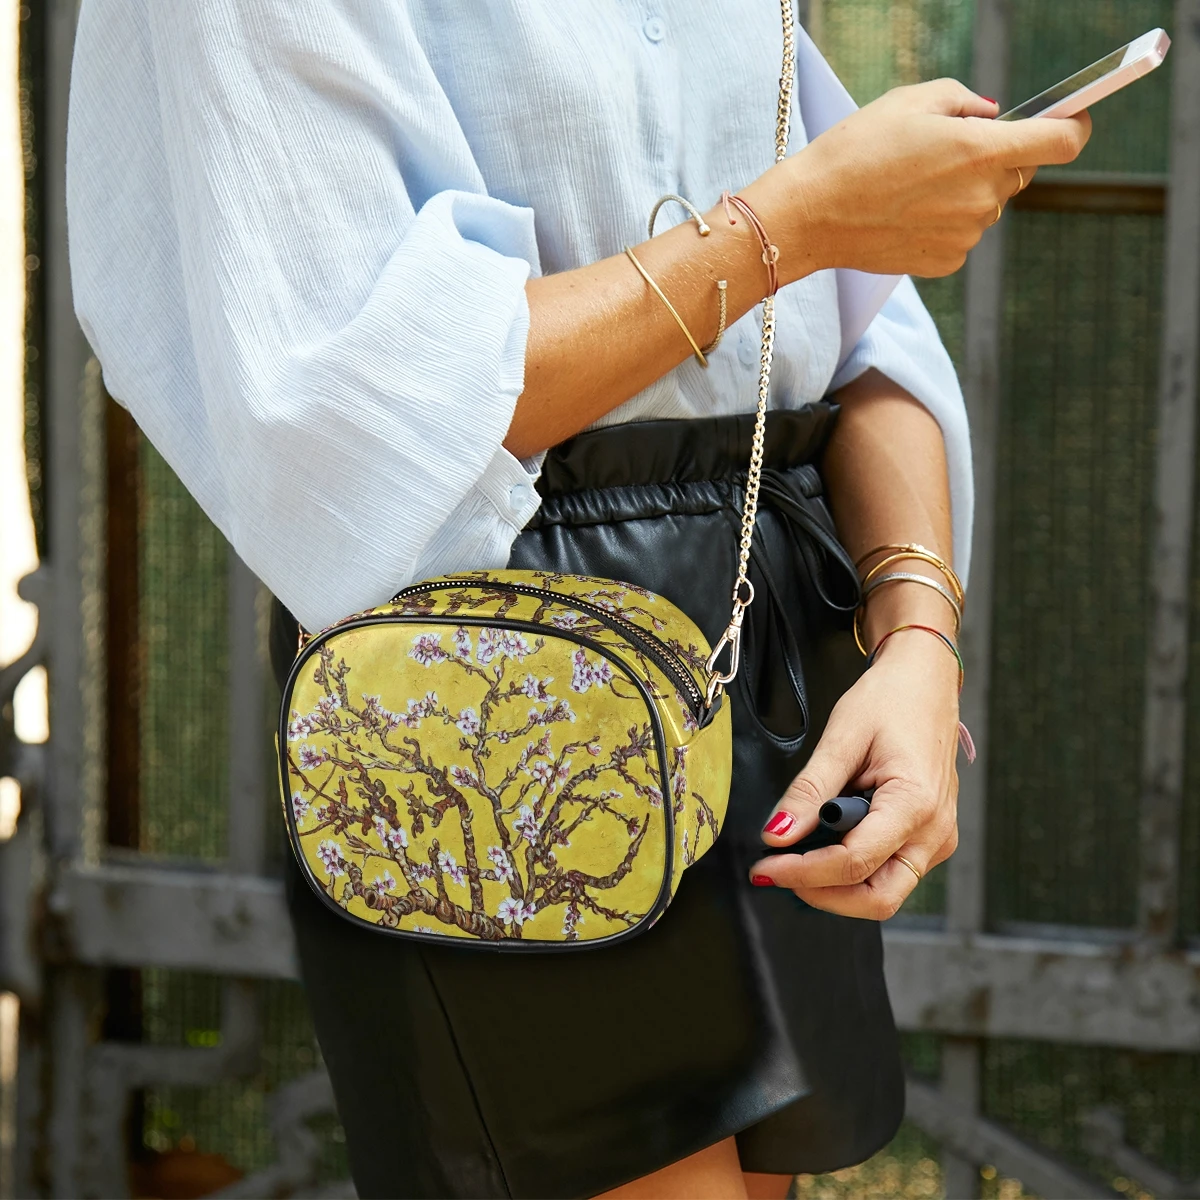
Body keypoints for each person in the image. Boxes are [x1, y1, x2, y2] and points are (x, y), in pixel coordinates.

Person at [66, 3, 1089, 1196]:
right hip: (497, 661)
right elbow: (360, 399)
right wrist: (793, 224)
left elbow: (859, 327)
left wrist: (916, 634)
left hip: (775, 597)